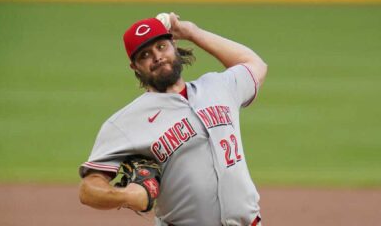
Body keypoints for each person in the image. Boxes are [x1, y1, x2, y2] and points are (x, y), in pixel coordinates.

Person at [78, 12, 268, 226]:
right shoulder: (125, 122)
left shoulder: (218, 87)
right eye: (145, 55)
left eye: (161, 47)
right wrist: (127, 196)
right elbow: (89, 189)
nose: (157, 57)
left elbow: (254, 64)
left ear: (174, 45)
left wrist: (192, 32)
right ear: (135, 67)